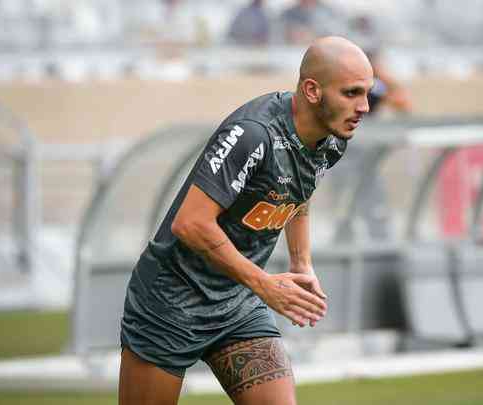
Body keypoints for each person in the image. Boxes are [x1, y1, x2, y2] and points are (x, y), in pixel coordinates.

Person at [118, 36, 373, 405]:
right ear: (313, 90)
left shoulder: (333, 138)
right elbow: (190, 224)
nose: (364, 106)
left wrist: (302, 263)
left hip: (238, 304)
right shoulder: (253, 133)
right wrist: (265, 285)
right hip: (170, 305)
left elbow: (298, 193)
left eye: (367, 93)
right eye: (351, 93)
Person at [277, 0, 349, 45]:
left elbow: (339, 38)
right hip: (291, 56)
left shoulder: (331, 13)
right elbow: (276, 38)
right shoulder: (286, 14)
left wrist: (314, 36)